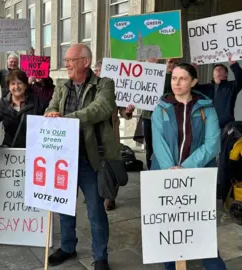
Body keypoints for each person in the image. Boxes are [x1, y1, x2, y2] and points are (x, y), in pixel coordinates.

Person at [45, 43, 119, 270]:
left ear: (85, 62)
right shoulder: (61, 86)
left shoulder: (104, 84)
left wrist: (68, 118)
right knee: (64, 207)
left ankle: (100, 256)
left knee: (96, 211)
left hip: (91, 159)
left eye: (70, 60)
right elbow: (50, 109)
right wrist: (52, 115)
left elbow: (101, 108)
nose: (66, 64)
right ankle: (68, 247)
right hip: (64, 159)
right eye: (66, 60)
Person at [151, 63, 226, 270]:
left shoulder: (207, 108)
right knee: (168, 232)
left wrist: (185, 168)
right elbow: (159, 144)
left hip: (197, 178)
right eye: (174, 78)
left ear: (193, 82)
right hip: (165, 179)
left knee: (203, 231)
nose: (177, 83)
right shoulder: (161, 108)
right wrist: (171, 171)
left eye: (182, 78)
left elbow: (212, 144)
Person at [93, 59, 135, 211]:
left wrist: (128, 112)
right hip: (94, 135)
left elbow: (124, 112)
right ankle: (97, 193)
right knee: (96, 165)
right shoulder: (91, 88)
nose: (99, 74)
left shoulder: (117, 89)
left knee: (113, 165)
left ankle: (110, 197)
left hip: (112, 135)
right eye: (98, 71)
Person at [139, 58, 179, 170]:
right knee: (151, 146)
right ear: (165, 63)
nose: (173, 65)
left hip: (168, 117)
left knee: (166, 145)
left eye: (176, 63)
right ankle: (151, 171)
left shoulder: (177, 79)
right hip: (149, 116)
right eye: (171, 62)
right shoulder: (155, 75)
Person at [195, 56, 242, 130]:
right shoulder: (207, 88)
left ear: (226, 74)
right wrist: (192, 71)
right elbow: (193, 87)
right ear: (213, 75)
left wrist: (234, 65)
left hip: (226, 127)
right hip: (208, 126)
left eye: (221, 69)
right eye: (216, 69)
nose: (218, 70)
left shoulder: (231, 86)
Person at [0, 70, 48, 148]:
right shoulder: (2, 104)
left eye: (19, 83)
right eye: (13, 84)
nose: (16, 87)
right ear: (8, 86)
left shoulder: (38, 102)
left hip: (32, 149)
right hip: (9, 152)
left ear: (26, 85)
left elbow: (46, 125)